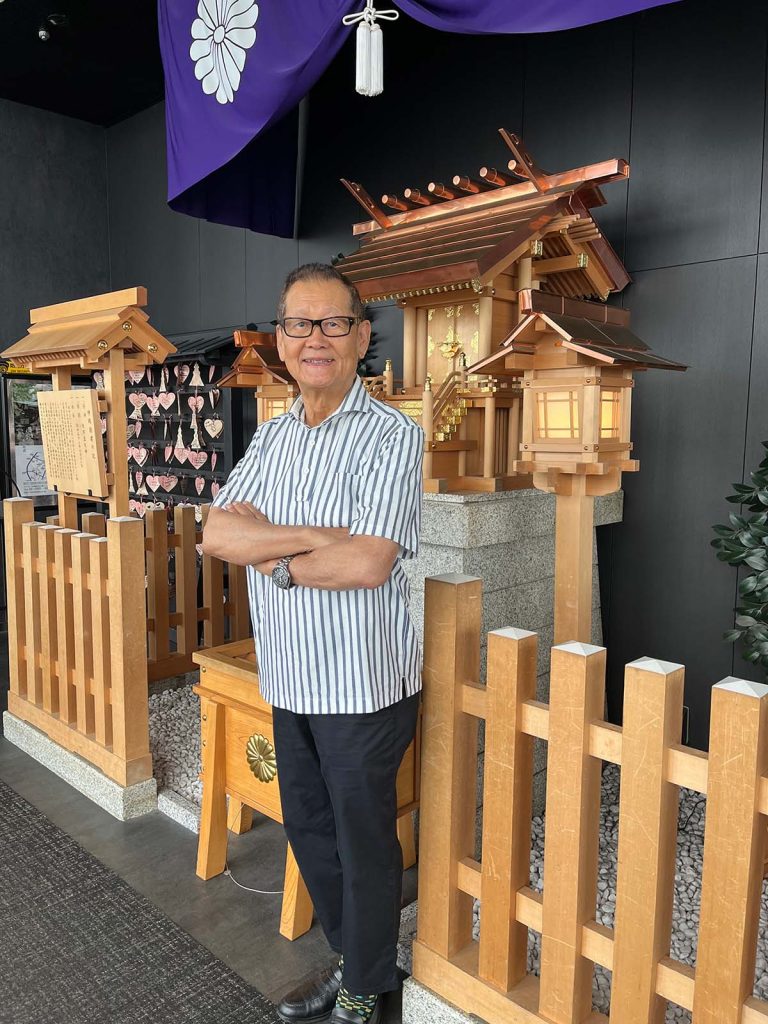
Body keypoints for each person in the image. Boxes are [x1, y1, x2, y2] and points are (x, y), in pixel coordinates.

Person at [202, 263, 424, 1024]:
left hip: (363, 684)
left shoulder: (393, 435)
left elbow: (368, 561)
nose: (315, 339)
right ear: (281, 340)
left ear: (361, 336)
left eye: (334, 323)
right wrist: (308, 539)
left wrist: (274, 559)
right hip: (291, 675)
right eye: (300, 324)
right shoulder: (272, 435)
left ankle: (366, 982)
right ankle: (355, 958)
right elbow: (216, 532)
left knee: (362, 842)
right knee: (309, 828)